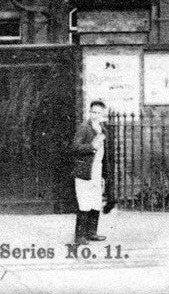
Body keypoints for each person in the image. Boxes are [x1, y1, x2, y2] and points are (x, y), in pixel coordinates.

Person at [70, 99, 113, 245]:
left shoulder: (103, 129)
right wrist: (91, 147)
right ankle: (79, 236)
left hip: (97, 170)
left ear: (103, 114)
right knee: (84, 202)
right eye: (93, 112)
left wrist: (104, 173)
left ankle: (91, 233)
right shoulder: (84, 128)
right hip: (85, 170)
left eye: (99, 113)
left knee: (95, 201)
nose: (95, 115)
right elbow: (75, 147)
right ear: (90, 112)